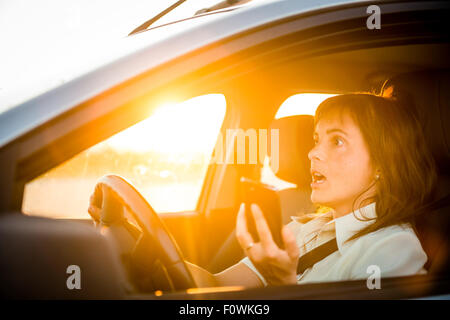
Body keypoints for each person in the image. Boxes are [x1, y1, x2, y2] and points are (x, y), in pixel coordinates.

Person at [89, 93, 437, 289]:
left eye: (338, 141)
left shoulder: (394, 250)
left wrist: (284, 285)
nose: (313, 153)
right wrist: (137, 239)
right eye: (317, 140)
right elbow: (213, 285)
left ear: (381, 164)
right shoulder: (306, 229)